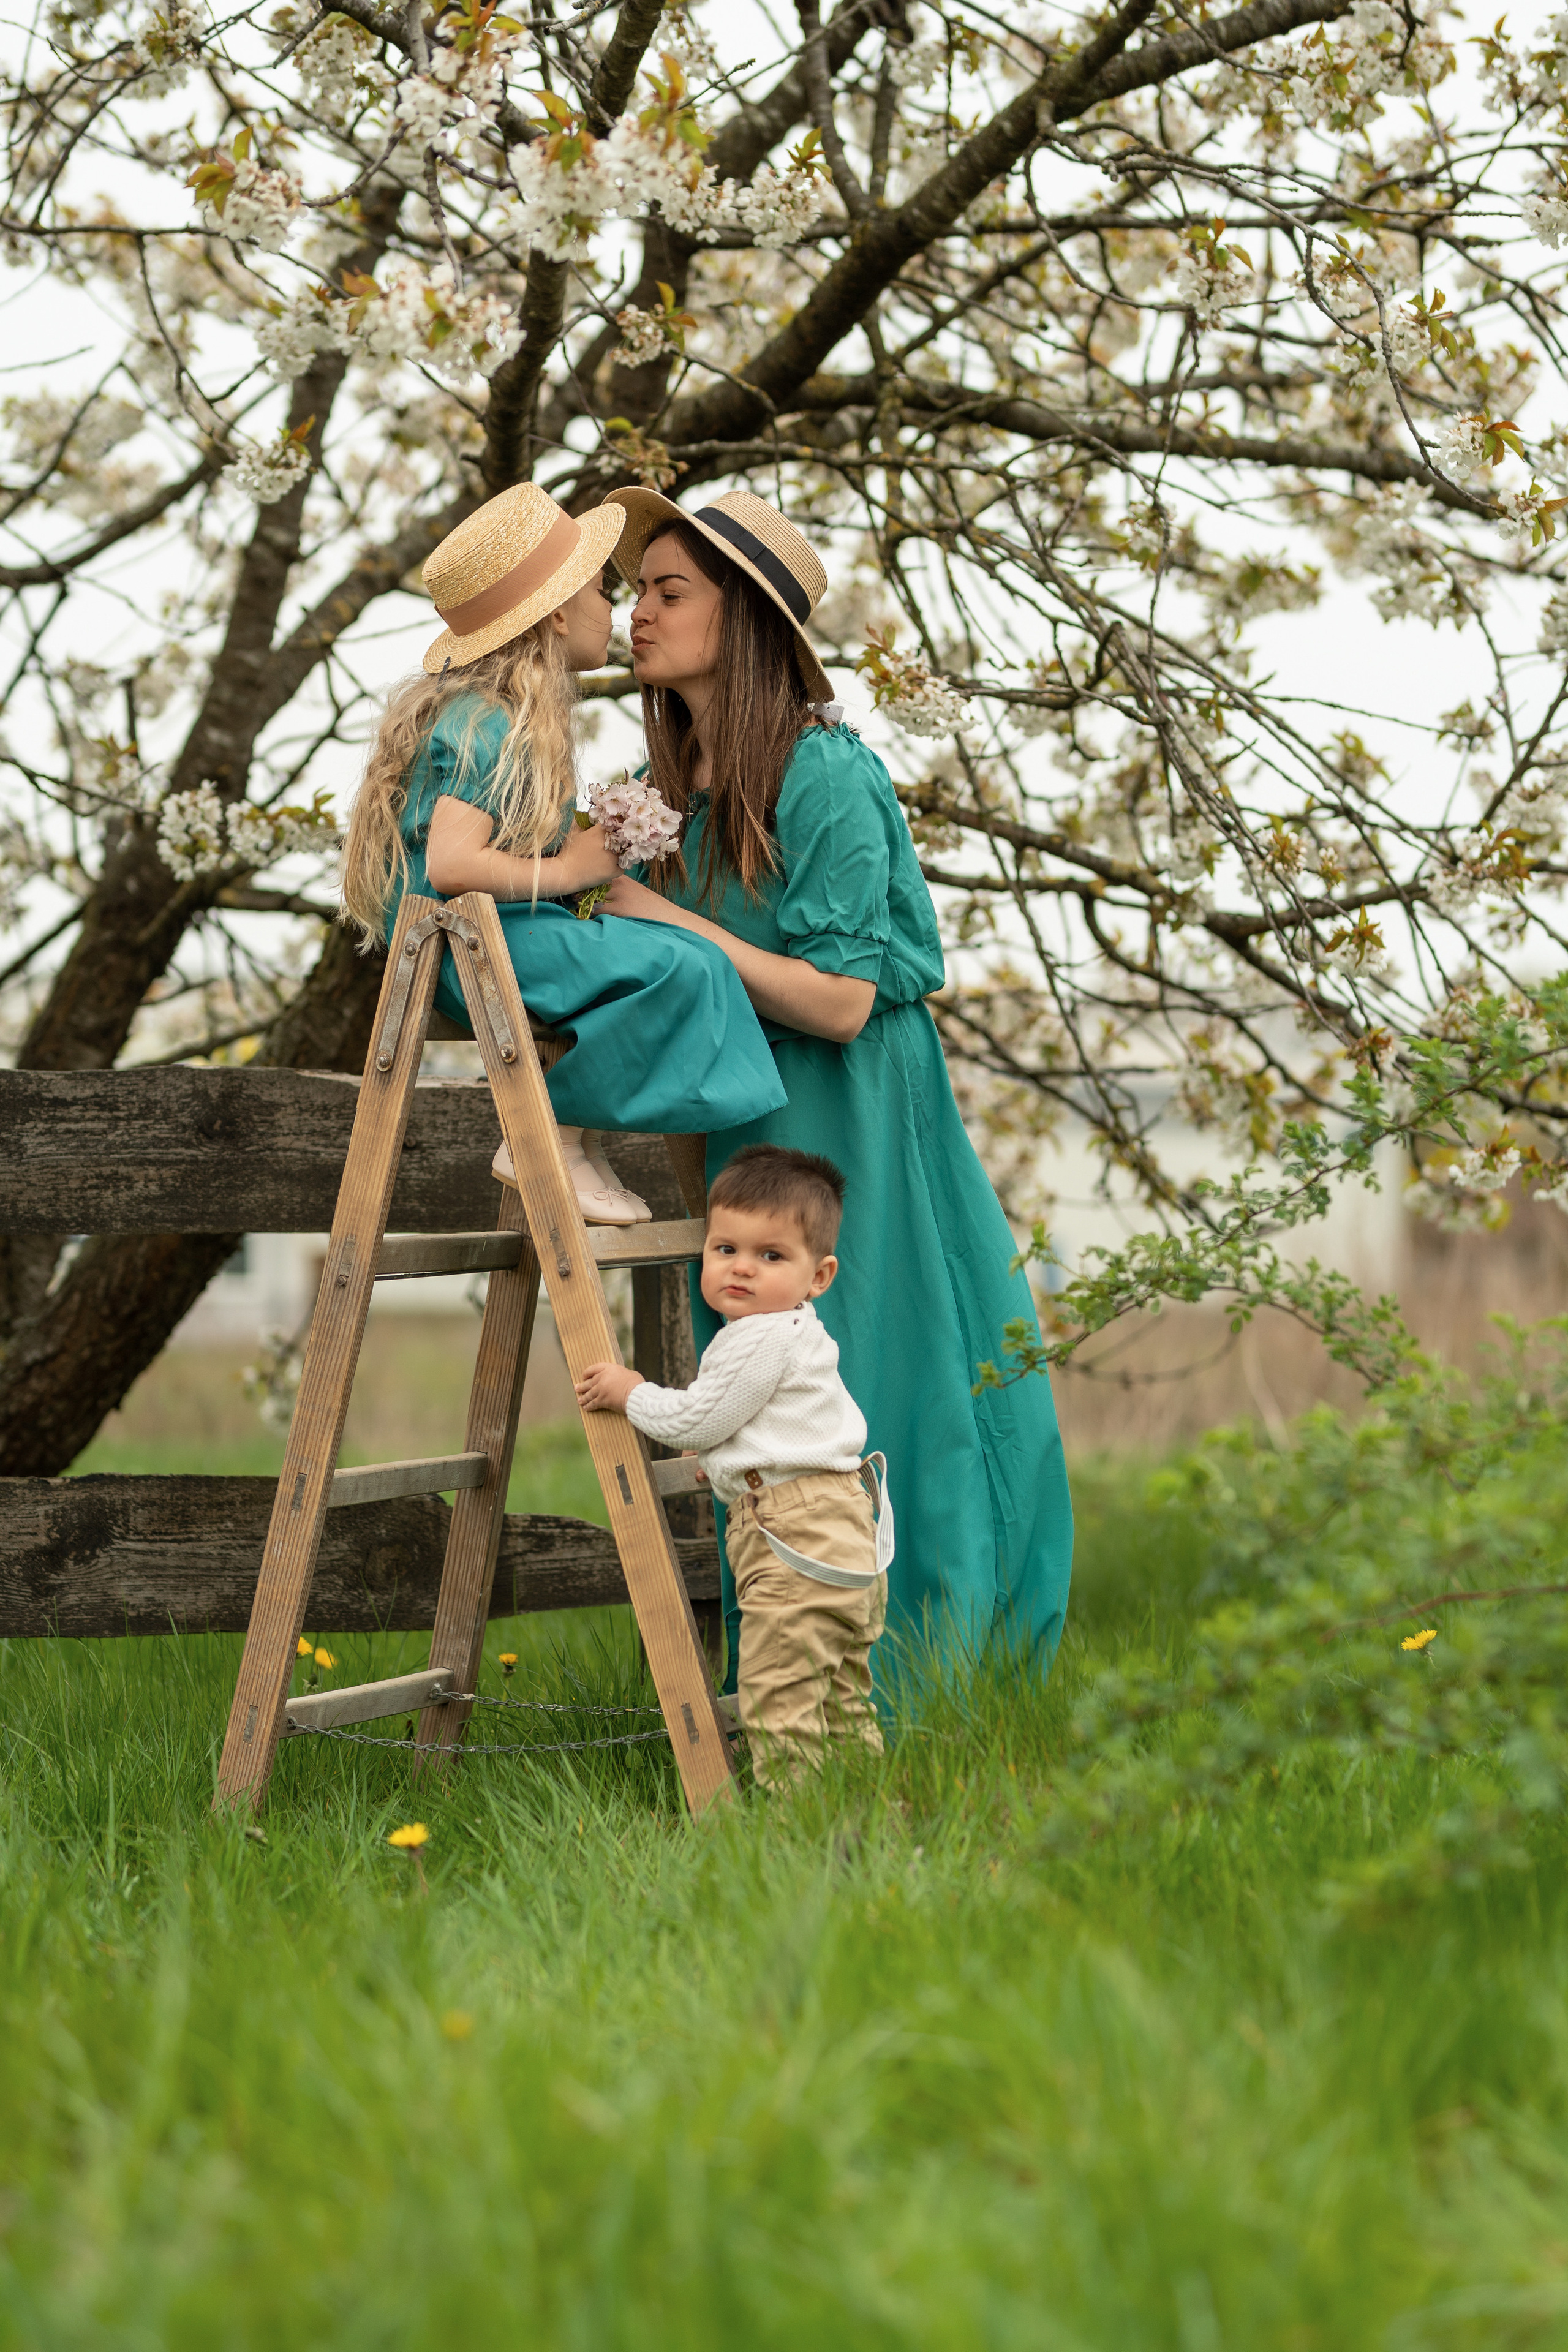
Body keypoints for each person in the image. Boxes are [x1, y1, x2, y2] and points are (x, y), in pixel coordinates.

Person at [597, 484, 1073, 1686]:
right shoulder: (671, 790)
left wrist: (658, 921)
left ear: (743, 615)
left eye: (666, 591)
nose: (635, 614)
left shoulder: (826, 774)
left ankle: (924, 1679)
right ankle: (786, 1685)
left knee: (874, 1372)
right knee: (756, 1396)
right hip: (744, 1120)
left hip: (850, 1115)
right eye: (631, 591)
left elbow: (841, 1000)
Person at [339, 483, 786, 1223]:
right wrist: (574, 870)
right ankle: (546, 1134)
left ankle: (567, 1139)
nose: (619, 609)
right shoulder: (489, 722)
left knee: (672, 954)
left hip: (491, 940)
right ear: (555, 611)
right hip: (466, 947)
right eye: (602, 590)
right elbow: (452, 866)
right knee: (682, 963)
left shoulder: (509, 719)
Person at [576, 1144, 889, 1789]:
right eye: (726, 1250)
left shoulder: (759, 1336)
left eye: (770, 1256)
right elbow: (775, 1431)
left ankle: (798, 1836)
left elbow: (698, 1419)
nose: (741, 1269)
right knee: (838, 1698)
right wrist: (723, 1465)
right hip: (841, 1528)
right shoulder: (799, 1330)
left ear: (819, 1275)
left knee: (778, 1702)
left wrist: (629, 1390)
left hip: (794, 1538)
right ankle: (865, 1819)